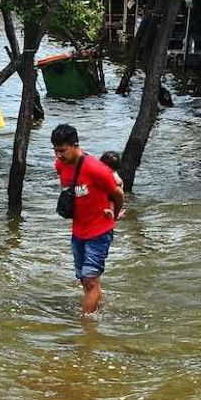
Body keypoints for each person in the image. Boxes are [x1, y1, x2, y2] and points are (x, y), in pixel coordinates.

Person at [52, 125, 124, 315]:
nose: (59, 155)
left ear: (75, 145)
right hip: (78, 231)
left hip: (99, 231)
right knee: (85, 280)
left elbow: (117, 193)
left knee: (90, 280)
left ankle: (86, 329)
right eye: (56, 150)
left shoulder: (96, 169)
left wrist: (114, 214)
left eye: (62, 150)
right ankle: (101, 308)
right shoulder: (60, 165)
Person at [99, 151, 126, 221]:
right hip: (109, 209)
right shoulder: (117, 179)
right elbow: (120, 199)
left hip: (106, 207)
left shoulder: (116, 180)